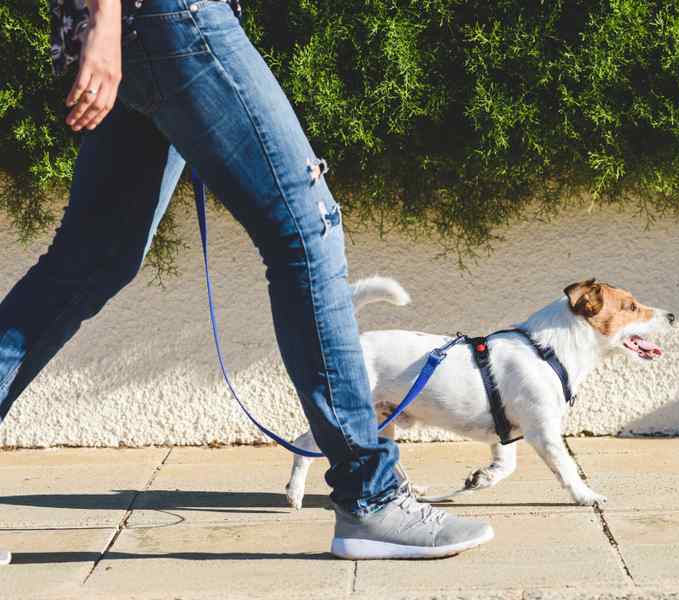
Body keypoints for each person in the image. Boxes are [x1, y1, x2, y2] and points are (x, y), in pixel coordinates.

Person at [0, 0, 493, 561]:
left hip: (149, 25)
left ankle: (370, 495)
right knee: (309, 232)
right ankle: (371, 496)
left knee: (91, 261)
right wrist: (107, 20)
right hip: (171, 16)